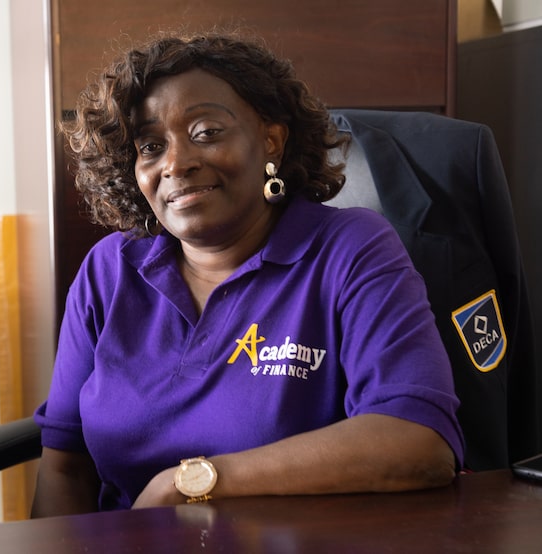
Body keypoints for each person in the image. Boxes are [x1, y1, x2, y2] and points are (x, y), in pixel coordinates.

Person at [31, 30, 464, 517]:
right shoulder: (110, 270)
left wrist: (193, 482)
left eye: (206, 132)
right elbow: (65, 466)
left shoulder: (351, 249)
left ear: (270, 139)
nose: (176, 163)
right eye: (150, 145)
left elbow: (419, 441)